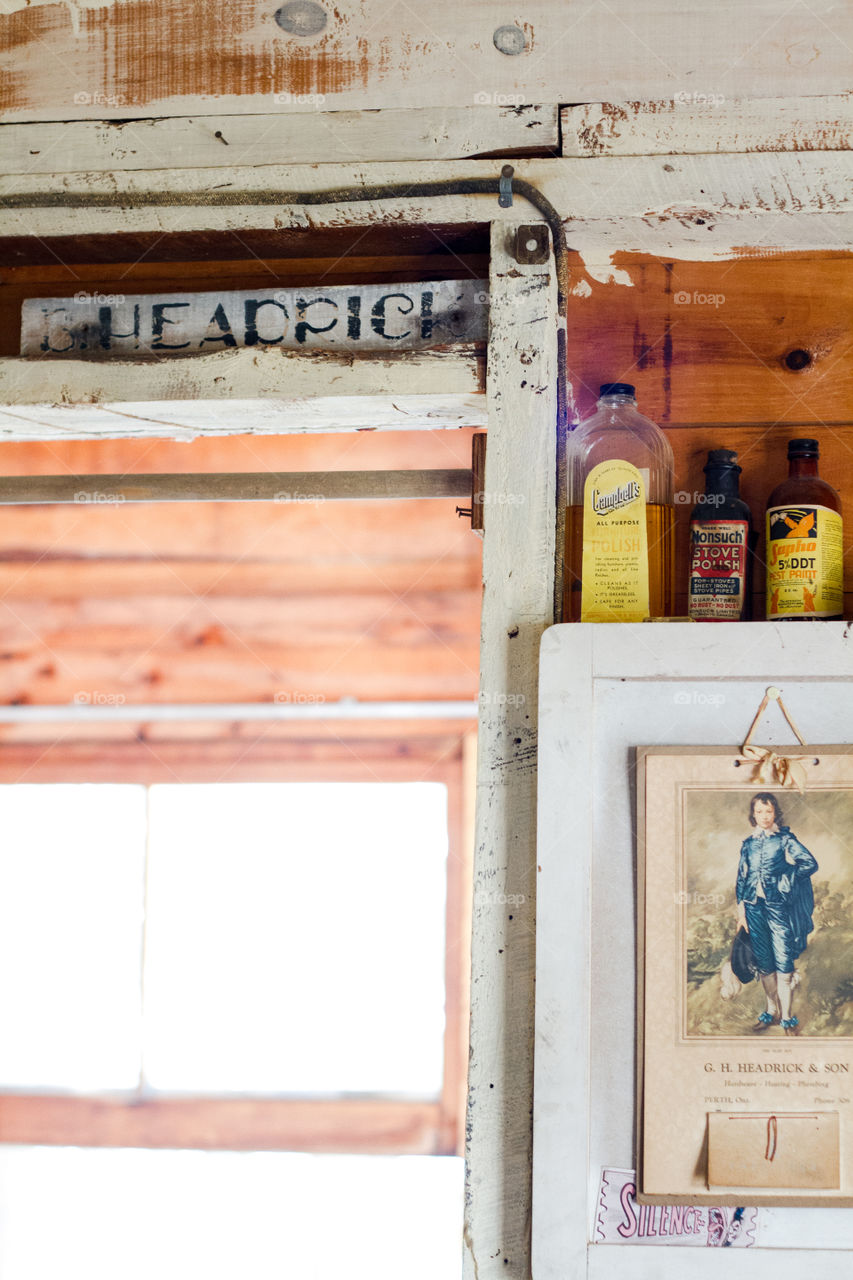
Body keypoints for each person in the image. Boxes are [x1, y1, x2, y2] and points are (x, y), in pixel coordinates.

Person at [735, 792, 818, 1036]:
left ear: (775, 813)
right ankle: (771, 1011)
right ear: (753, 815)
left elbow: (809, 863)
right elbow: (741, 880)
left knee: (783, 961)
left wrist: (785, 882)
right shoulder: (748, 844)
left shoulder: (784, 840)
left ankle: (788, 1018)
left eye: (768, 811)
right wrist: (741, 914)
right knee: (764, 963)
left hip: (778, 907)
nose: (763, 816)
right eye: (759, 812)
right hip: (753, 908)